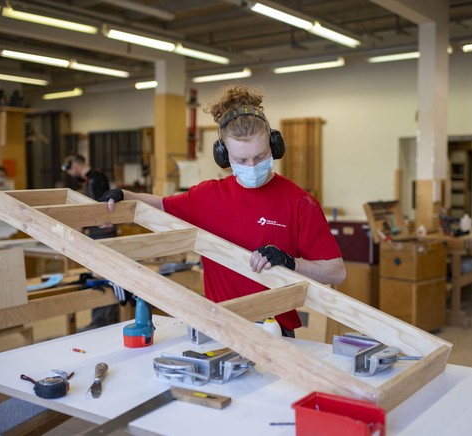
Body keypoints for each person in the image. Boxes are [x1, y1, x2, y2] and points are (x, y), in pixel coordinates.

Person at [100, 85, 346, 337]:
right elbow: (162, 204)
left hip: (273, 331)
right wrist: (124, 195)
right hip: (219, 328)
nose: (252, 166)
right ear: (224, 156)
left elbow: (336, 272)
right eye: (241, 160)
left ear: (274, 147)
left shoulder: (299, 202)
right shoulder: (207, 197)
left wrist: (290, 262)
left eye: (261, 157)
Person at [62, 153, 120, 328]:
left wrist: (83, 225)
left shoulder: (96, 179)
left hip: (102, 234)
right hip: (95, 232)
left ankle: (104, 321)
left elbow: (101, 208)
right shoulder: (90, 180)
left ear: (76, 165)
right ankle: (101, 320)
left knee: (105, 279)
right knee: (98, 278)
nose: (72, 175)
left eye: (71, 170)